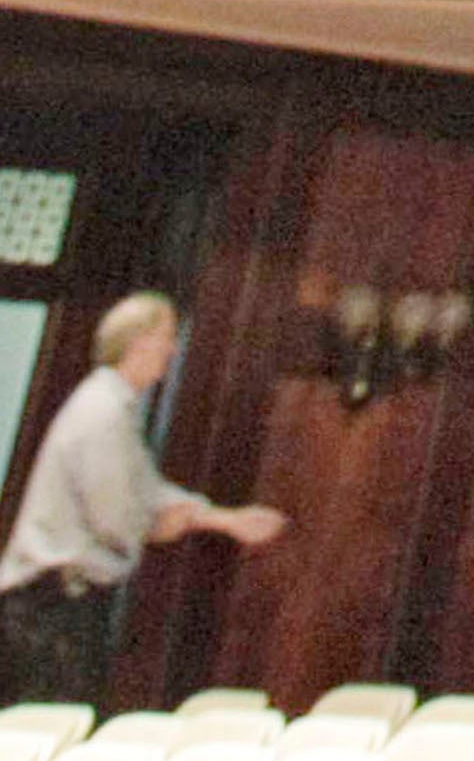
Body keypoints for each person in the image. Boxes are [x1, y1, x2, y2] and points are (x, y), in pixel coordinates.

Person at [0, 295, 284, 706]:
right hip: (52, 604)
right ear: (137, 342)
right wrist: (166, 524)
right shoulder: (103, 411)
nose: (173, 349)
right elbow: (116, 514)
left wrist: (224, 519)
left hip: (61, 602)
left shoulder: (114, 405)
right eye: (166, 337)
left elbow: (145, 489)